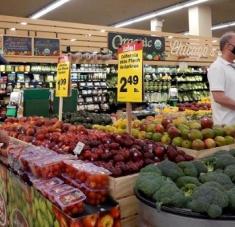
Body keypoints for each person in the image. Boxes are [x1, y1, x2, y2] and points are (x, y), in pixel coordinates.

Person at [207, 32, 235, 125]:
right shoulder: (217, 67)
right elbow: (219, 97)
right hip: (226, 125)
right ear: (228, 46)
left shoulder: (232, 66)